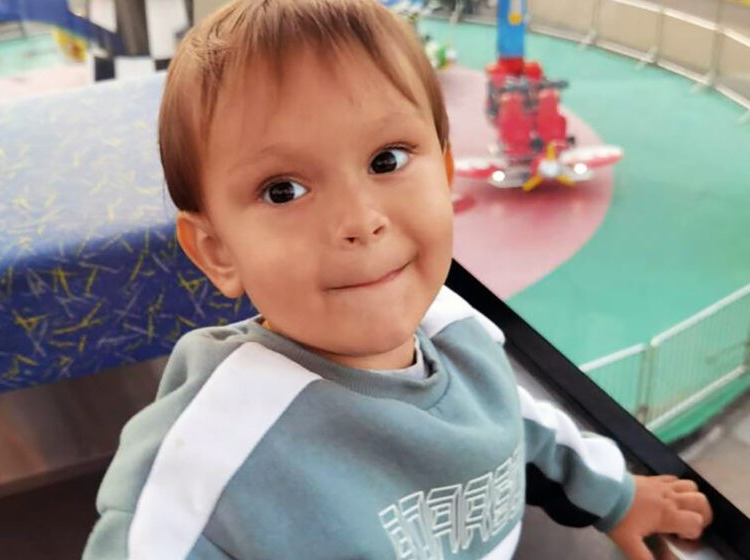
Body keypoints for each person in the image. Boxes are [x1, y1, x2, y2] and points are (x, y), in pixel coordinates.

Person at [83, 1, 712, 558]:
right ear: (218, 251)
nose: (360, 221)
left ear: (445, 174)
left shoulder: (456, 331)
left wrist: (615, 495)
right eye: (283, 190)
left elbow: (516, 423)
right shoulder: (209, 459)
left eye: (386, 160)